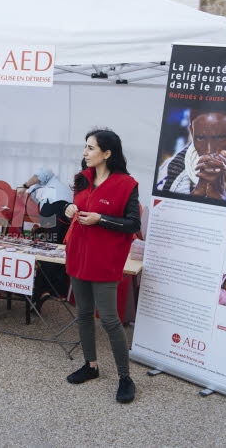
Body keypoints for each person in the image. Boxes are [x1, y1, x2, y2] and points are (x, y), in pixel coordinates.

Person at [63, 129, 140, 404]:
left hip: (105, 260)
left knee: (108, 319)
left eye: (90, 148)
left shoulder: (127, 184)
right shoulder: (81, 179)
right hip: (78, 256)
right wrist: (69, 210)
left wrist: (101, 219)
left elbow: (133, 224)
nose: (85, 153)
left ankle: (125, 377)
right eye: (85, 147)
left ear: (107, 153)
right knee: (83, 313)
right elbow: (76, 206)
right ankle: (91, 365)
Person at [17, 167, 73, 311]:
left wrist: (24, 186)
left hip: (53, 207)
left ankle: (41, 290)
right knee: (59, 249)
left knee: (46, 249)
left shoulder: (50, 178)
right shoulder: (60, 188)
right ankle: (55, 290)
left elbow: (42, 174)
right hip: (67, 211)